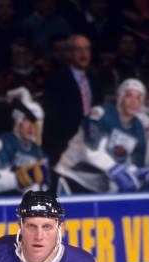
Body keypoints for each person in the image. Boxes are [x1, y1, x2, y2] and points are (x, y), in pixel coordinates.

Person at [54, 78, 147, 194]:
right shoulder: (102, 114)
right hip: (72, 176)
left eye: (138, 98)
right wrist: (114, 168)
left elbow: (131, 162)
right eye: (129, 96)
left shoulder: (138, 128)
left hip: (99, 186)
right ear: (120, 97)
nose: (134, 102)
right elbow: (90, 150)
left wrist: (140, 173)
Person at [43, 34, 104, 166]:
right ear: (69, 53)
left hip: (92, 143)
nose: (84, 54)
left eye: (87, 49)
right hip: (65, 145)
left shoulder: (95, 78)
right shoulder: (56, 79)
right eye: (78, 49)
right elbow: (53, 119)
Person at [0, 87, 50, 196]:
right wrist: (17, 180)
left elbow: (46, 186)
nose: (32, 127)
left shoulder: (40, 153)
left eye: (35, 123)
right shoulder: (1, 142)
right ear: (18, 121)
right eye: (27, 120)